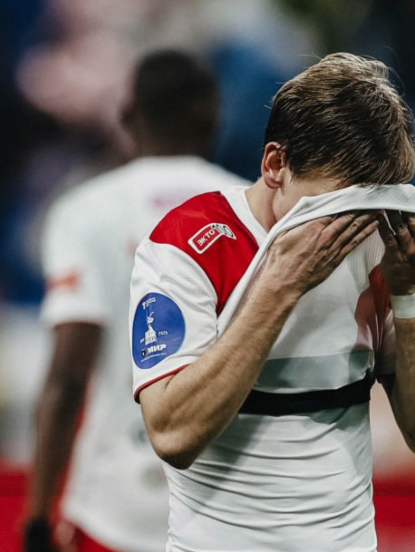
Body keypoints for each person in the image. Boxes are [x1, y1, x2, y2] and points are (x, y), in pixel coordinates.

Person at [128, 53, 415, 552]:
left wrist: (412, 289)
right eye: (336, 207)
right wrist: (279, 287)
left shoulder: (379, 245)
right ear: (276, 166)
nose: (355, 228)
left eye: (368, 206)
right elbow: (172, 434)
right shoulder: (187, 246)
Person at [24, 50, 248, 552]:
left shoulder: (83, 211)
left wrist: (37, 513)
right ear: (213, 120)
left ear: (128, 117)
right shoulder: (252, 210)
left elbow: (68, 377)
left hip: (112, 505)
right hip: (226, 506)